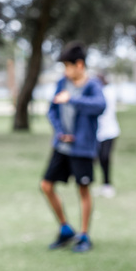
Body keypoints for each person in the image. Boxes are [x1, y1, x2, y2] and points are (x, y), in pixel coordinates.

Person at [41, 42, 106, 253]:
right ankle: (65, 229)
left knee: (83, 189)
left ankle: (85, 235)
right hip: (62, 146)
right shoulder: (62, 82)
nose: (65, 71)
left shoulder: (92, 85)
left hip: (83, 148)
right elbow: (52, 110)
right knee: (46, 185)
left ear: (79, 65)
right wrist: (60, 131)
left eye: (67, 66)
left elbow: (100, 106)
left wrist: (74, 100)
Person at [95, 73, 120, 198]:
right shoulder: (98, 92)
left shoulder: (108, 92)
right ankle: (94, 183)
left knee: (105, 158)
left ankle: (107, 185)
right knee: (95, 158)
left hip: (110, 131)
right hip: (97, 132)